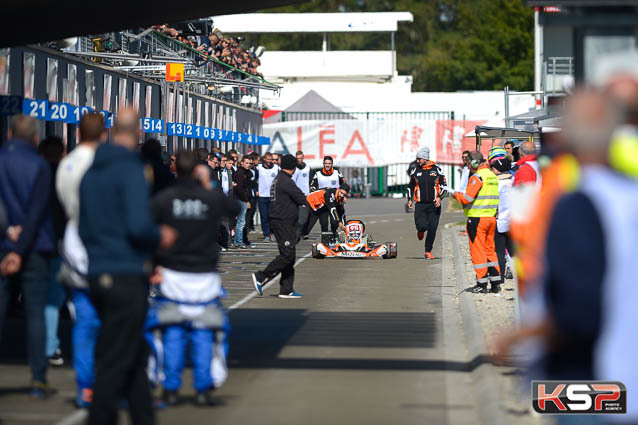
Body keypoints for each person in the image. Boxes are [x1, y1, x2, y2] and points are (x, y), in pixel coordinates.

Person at [79, 108, 176, 425]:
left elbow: (82, 226)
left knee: (133, 352)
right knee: (117, 357)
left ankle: (143, 416)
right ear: (136, 135)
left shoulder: (91, 172)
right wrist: (158, 237)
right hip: (125, 272)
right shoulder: (131, 170)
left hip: (97, 270)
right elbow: (138, 224)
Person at [149, 150, 239, 406]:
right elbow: (233, 207)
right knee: (203, 334)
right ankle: (202, 388)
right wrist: (209, 184)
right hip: (204, 277)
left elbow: (148, 230)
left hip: (173, 275)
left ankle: (170, 387)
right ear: (198, 171)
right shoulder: (210, 197)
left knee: (172, 334)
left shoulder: (165, 198)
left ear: (176, 169)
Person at [0, 115, 55, 398]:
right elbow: (37, 211)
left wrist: (10, 233)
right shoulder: (40, 165)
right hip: (34, 247)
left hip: (3, 244)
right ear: (35, 138)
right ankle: (37, 379)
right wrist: (22, 246)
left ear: (9, 135)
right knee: (35, 314)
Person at [56, 113, 105, 408]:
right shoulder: (108, 164)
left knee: (84, 323)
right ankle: (110, 380)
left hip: (75, 247)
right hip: (106, 249)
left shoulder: (67, 164)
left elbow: (64, 204)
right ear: (103, 135)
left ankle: (85, 386)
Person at [251, 155, 308, 299]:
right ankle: (261, 276)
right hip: (283, 222)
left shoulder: (280, 178)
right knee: (287, 255)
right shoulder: (285, 181)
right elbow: (301, 197)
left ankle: (286, 289)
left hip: (282, 221)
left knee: (291, 256)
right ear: (293, 168)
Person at [449, 151, 501, 294]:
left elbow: (467, 198)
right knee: (490, 250)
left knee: (478, 251)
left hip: (477, 219)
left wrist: (454, 194)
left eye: (469, 163)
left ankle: (481, 284)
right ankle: (496, 283)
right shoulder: (492, 176)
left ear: (474, 163)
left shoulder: (477, 177)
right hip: (491, 218)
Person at [38, 136, 67, 368]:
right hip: (58, 242)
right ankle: (49, 345)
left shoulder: (34, 173)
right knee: (53, 298)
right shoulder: (64, 176)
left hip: (30, 241)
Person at [407, 147, 445, 260]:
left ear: (425, 158)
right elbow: (410, 186)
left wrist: (439, 198)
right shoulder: (415, 170)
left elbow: (444, 187)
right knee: (422, 225)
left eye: (419, 159)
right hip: (420, 204)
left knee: (433, 228)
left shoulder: (437, 170)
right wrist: (409, 199)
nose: (417, 161)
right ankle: (421, 230)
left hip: (434, 204)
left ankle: (428, 251)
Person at [489, 150, 515, 284]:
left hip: (499, 221)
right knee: (513, 250)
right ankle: (518, 276)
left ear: (498, 170)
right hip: (514, 221)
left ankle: (500, 278)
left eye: (493, 169)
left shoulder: (496, 184)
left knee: (499, 250)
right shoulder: (514, 182)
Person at [256, 152, 279, 242]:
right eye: (268, 159)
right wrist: (255, 191)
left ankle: (273, 232)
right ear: (264, 159)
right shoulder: (259, 168)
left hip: (273, 196)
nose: (270, 161)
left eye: (271, 159)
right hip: (262, 196)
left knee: (273, 216)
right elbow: (254, 180)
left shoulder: (277, 168)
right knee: (264, 216)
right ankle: (266, 234)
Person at [232, 155, 253, 249]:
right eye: (247, 163)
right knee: (241, 222)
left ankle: (238, 241)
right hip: (240, 199)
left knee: (241, 222)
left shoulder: (246, 172)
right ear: (242, 163)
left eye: (250, 163)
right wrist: (246, 200)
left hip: (242, 198)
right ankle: (238, 242)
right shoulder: (240, 173)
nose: (249, 165)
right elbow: (240, 188)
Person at [292, 151, 311, 239]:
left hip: (306, 194)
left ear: (303, 158)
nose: (299, 160)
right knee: (295, 215)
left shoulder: (308, 167)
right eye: (297, 158)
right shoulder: (293, 168)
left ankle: (303, 232)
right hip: (296, 194)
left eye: (300, 158)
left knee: (305, 216)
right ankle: (297, 233)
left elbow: (310, 180)